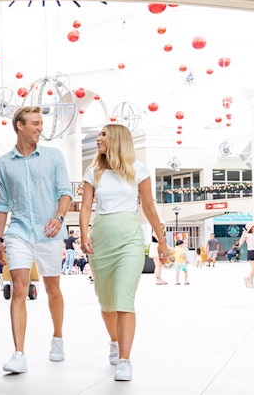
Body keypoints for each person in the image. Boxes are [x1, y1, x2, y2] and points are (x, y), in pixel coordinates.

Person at [80, 124, 169, 382]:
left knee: (124, 300)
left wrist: (161, 241)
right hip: (101, 241)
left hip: (130, 240)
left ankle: (125, 359)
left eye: (103, 135)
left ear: (117, 139)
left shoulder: (138, 170)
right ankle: (115, 341)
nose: (98, 139)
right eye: (99, 135)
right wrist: (84, 235)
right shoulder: (92, 171)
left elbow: (149, 207)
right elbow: (86, 207)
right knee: (107, 304)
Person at [0, 106, 72, 375]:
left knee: (52, 288)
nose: (40, 128)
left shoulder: (53, 156)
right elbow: (2, 204)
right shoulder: (3, 163)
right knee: (18, 289)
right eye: (35, 123)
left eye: (41, 123)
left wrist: (59, 218)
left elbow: (65, 193)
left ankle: (58, 337)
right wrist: (0, 239)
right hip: (19, 231)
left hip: (50, 231)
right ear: (20, 126)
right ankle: (18, 354)